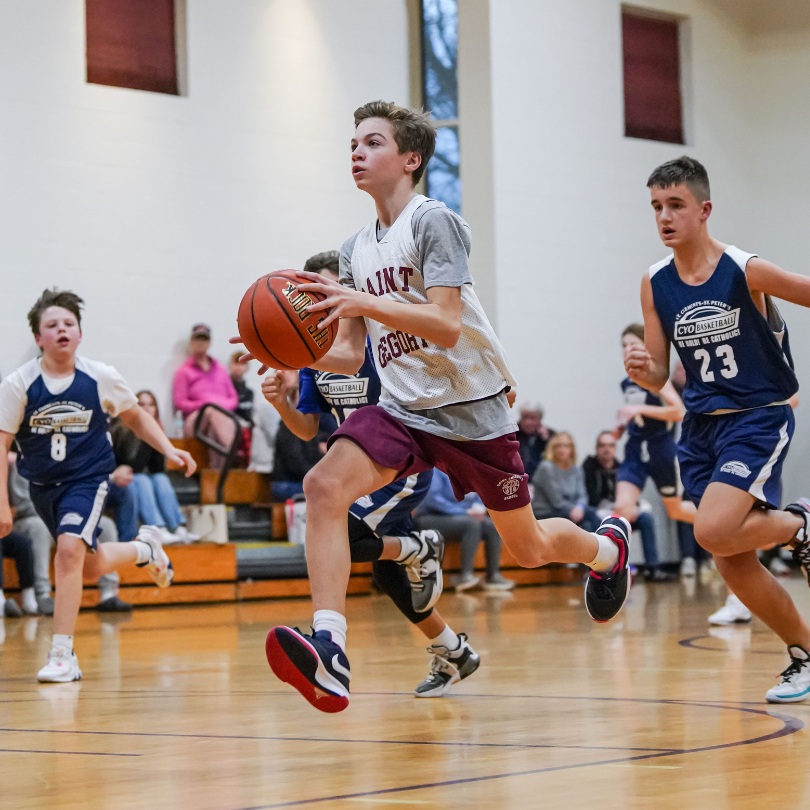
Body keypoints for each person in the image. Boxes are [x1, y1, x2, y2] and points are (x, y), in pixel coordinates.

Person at [252, 100, 631, 713]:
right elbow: (350, 357)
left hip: (472, 409)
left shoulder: (435, 223)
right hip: (404, 409)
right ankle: (331, 647)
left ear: (410, 158)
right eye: (352, 143)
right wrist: (292, 355)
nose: (356, 152)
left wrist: (361, 303)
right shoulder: (353, 250)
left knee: (528, 549)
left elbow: (447, 324)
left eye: (372, 142)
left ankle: (607, 549)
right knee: (323, 487)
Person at [626, 155, 810, 703]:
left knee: (709, 529)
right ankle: (803, 653)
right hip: (701, 427)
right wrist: (643, 368)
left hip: (757, 419)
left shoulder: (743, 269)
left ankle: (799, 521)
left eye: (676, 205)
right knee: (731, 560)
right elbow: (661, 371)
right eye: (657, 206)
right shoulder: (655, 282)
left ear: (704, 210)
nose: (664, 216)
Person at [259, 250, 480, 697]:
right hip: (356, 472)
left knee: (347, 533)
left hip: (399, 466)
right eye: (310, 294)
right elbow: (307, 429)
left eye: (327, 289)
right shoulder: (313, 353)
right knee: (388, 575)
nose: (319, 301)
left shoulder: (381, 341)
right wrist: (281, 402)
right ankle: (453, 650)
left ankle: (420, 546)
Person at [0, 289, 195, 682]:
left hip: (87, 479)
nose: (61, 330)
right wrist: (2, 503)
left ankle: (62, 653)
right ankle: (145, 549)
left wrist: (168, 448)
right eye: (51, 325)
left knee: (69, 552)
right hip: (41, 485)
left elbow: (136, 416)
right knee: (85, 566)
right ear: (38, 338)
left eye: (68, 324)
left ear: (80, 333)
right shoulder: (19, 384)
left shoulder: (100, 376)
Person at [614, 324, 696, 527]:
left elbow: (679, 412)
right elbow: (638, 414)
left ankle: (727, 525)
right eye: (624, 345)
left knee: (675, 510)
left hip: (661, 449)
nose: (627, 349)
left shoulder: (657, 379)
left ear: (646, 347)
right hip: (635, 448)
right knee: (621, 508)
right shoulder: (627, 382)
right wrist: (623, 427)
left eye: (633, 344)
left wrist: (638, 410)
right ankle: (620, 556)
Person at [582, 431, 673, 582]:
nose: (607, 449)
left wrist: (632, 507)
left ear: (615, 448)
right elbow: (591, 498)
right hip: (599, 514)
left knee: (646, 518)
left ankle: (653, 568)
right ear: (596, 448)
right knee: (592, 518)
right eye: (603, 445)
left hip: (621, 514)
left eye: (611, 445)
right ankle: (605, 570)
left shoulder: (622, 468)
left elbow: (630, 493)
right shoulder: (588, 468)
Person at [111, 390, 199, 544]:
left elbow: (157, 468)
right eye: (142, 404)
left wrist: (157, 436)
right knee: (142, 480)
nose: (147, 408)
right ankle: (158, 527)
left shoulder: (156, 429)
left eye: (151, 405)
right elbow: (132, 465)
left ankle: (177, 527)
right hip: (124, 475)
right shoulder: (121, 430)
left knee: (161, 479)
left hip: (141, 476)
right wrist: (146, 437)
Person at [415, 468, 515, 592]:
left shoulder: (469, 468)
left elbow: (480, 492)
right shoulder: (436, 470)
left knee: (491, 526)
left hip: (462, 518)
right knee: (472, 525)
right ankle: (466, 576)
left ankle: (493, 576)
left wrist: (479, 507)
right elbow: (433, 500)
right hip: (431, 517)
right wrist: (464, 512)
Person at [173, 323, 238, 468]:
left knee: (215, 425)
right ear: (191, 342)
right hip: (195, 421)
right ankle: (232, 445)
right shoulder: (183, 372)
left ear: (209, 342)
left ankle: (218, 472)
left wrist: (217, 405)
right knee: (210, 410)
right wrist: (205, 404)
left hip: (220, 419)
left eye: (204, 339)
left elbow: (233, 399)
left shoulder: (220, 369)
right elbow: (180, 402)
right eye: (197, 339)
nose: (201, 343)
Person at [531, 432, 600, 532]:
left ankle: (600, 545)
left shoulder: (576, 470)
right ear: (553, 448)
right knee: (591, 513)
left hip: (570, 513)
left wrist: (579, 508)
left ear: (572, 449)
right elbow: (557, 501)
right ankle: (608, 543)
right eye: (558, 446)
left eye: (566, 446)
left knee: (588, 525)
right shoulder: (546, 468)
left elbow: (582, 495)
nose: (562, 449)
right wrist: (574, 511)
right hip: (547, 513)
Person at [515, 402, 555, 479]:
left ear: (540, 419)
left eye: (532, 418)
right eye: (525, 417)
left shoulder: (550, 435)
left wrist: (547, 441)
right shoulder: (511, 435)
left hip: (542, 483)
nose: (528, 422)